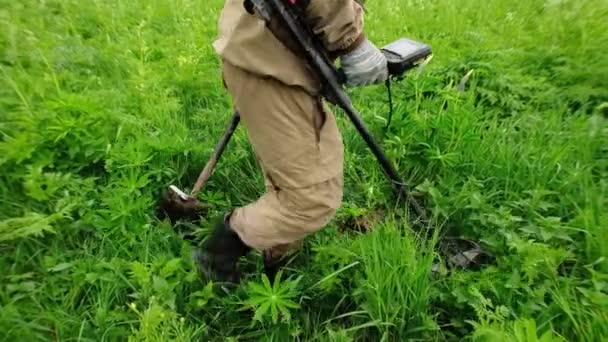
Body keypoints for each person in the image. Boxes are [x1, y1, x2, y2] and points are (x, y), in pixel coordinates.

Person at [193, 0, 389, 283]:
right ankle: (219, 253)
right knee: (311, 199)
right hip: (269, 60)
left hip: (269, 50)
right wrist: (352, 42)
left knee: (297, 179)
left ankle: (277, 253)